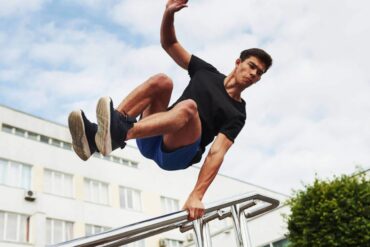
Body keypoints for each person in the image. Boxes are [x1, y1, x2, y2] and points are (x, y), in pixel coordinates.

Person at [68, 0, 272, 221]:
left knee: (189, 107)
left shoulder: (238, 113)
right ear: (238, 62)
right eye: (252, 66)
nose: (254, 74)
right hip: (152, 135)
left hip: (177, 154)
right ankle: (98, 139)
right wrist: (168, 14)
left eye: (259, 73)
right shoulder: (206, 72)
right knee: (162, 81)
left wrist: (196, 195)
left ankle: (118, 133)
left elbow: (216, 153)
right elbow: (170, 44)